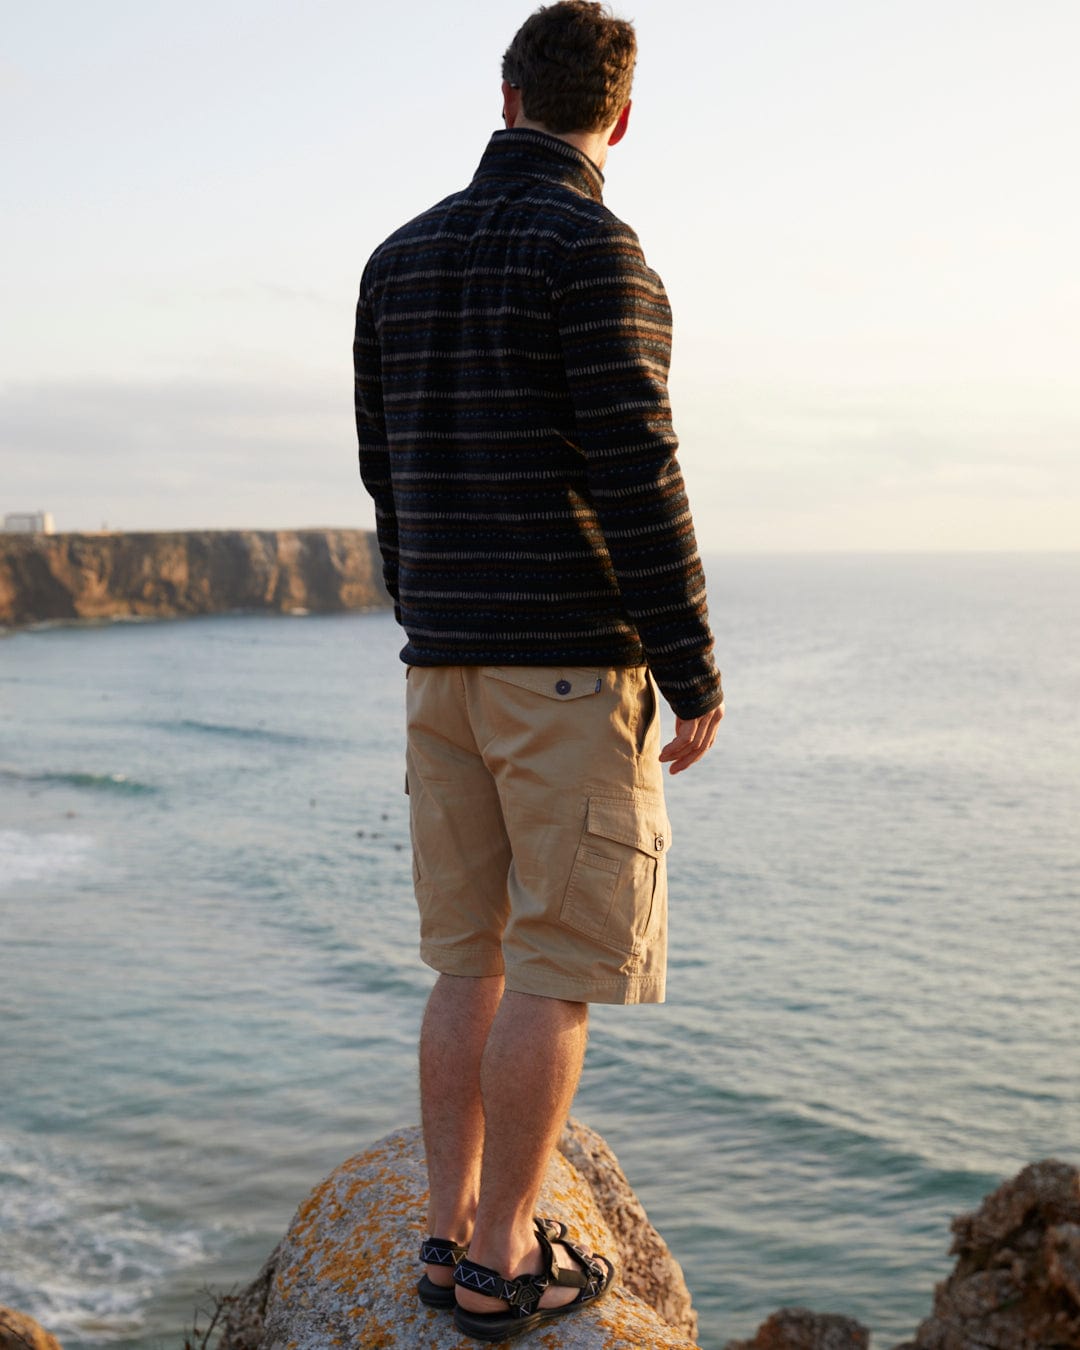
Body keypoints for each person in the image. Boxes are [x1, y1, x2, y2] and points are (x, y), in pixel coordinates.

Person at [354, 1, 724, 1340]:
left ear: (507, 96)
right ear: (616, 118)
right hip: (565, 671)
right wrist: (691, 667)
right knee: (558, 969)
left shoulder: (395, 262)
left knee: (467, 961)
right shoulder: (597, 252)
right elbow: (640, 479)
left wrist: (438, 611)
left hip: (440, 662)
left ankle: (444, 1231)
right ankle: (505, 1255)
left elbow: (386, 477)